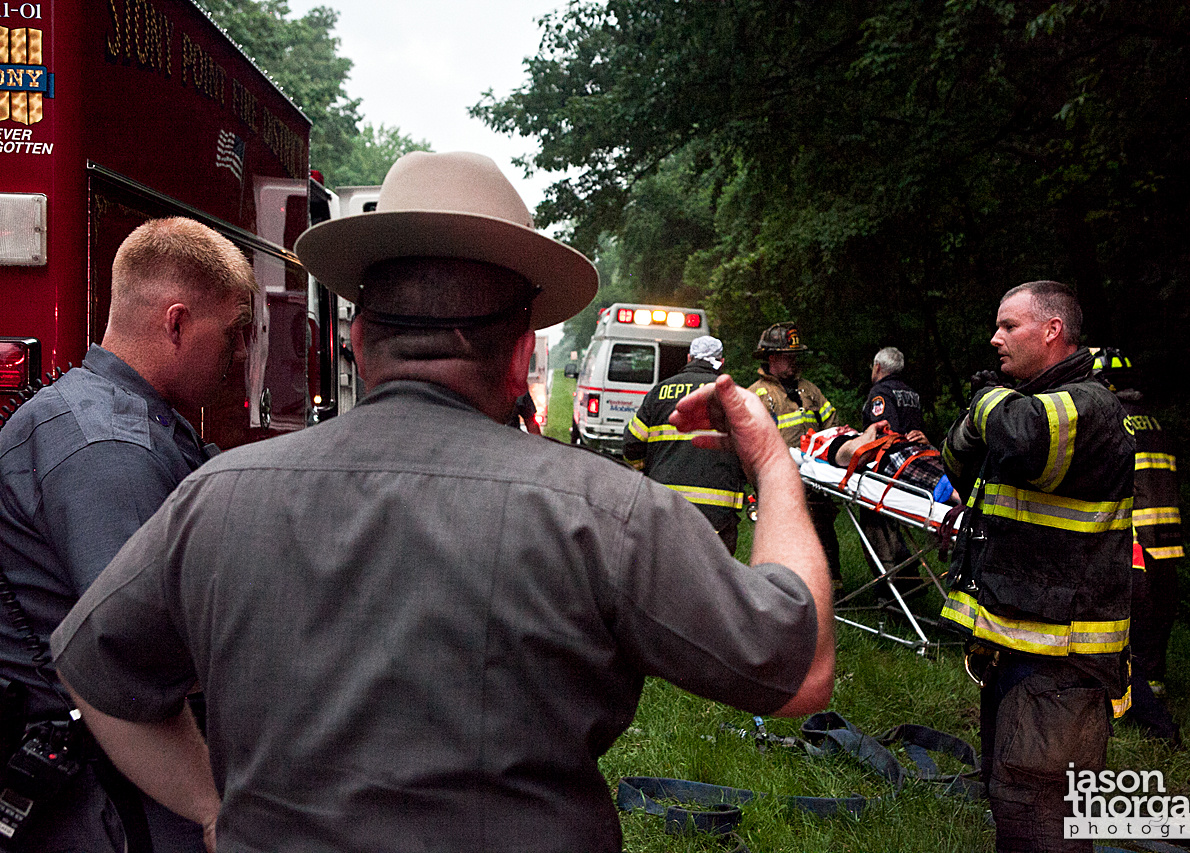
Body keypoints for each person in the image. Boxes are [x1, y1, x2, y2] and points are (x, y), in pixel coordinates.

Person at [50, 151, 835, 853]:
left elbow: (91, 668)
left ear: (358, 340)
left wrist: (211, 808)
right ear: (524, 350)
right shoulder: (606, 514)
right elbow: (798, 671)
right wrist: (768, 456)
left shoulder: (210, 501)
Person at [0, 217, 255, 852]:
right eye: (234, 334)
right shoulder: (109, 448)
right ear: (175, 323)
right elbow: (132, 654)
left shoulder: (107, 418)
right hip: (109, 799)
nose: (242, 355)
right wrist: (210, 808)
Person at [939, 281, 1134, 853]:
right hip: (1018, 642)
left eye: (1009, 326)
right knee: (1012, 794)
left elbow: (1023, 443)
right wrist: (989, 414)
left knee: (1043, 809)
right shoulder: (1026, 401)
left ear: (1052, 331)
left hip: (1062, 657)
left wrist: (986, 404)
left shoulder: (1090, 405)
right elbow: (959, 455)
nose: (994, 339)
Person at [1092, 347, 1182, 745]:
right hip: (1167, 535)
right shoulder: (1153, 421)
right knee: (1158, 613)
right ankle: (1153, 689)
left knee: (1130, 618)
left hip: (1134, 536)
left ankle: (1134, 701)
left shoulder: (1115, 421)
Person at [623, 335, 748, 553]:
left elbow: (632, 444)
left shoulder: (659, 392)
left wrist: (648, 474)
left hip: (665, 508)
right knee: (715, 583)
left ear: (689, 357)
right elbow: (749, 452)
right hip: (717, 516)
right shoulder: (735, 397)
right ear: (722, 362)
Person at [747, 323, 843, 584]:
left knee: (824, 533)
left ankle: (833, 588)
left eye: (795, 356)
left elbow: (832, 426)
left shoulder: (809, 391)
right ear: (772, 358)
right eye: (788, 356)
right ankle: (784, 587)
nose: (794, 362)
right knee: (784, 537)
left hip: (818, 480)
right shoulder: (757, 395)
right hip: (780, 481)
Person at [859, 347, 930, 595]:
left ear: (877, 367)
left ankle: (890, 584)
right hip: (915, 463)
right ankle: (909, 578)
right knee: (895, 526)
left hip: (889, 469)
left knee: (874, 524)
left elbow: (886, 434)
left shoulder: (880, 393)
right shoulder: (911, 393)